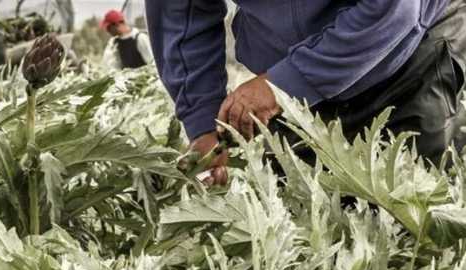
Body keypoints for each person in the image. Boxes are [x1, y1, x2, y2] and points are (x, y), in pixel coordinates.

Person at [146, 1, 466, 185]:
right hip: (285, 59)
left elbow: (391, 9)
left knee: (411, 205)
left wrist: (283, 85)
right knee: (307, 213)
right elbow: (181, 10)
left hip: (410, 47)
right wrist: (203, 123)